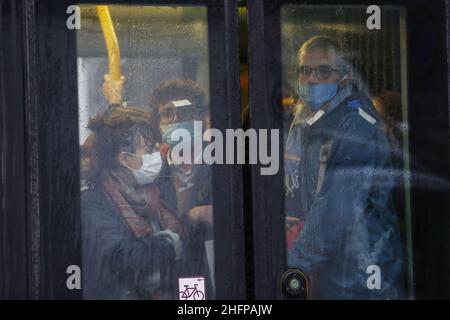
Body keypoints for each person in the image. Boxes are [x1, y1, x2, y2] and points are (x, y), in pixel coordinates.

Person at [286, 36, 404, 299]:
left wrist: (292, 265)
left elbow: (336, 208)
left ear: (344, 79)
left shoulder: (355, 127)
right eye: (305, 71)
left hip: (360, 276)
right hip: (337, 271)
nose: (312, 79)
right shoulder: (311, 122)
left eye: (323, 71)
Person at [81, 106, 184, 299]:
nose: (157, 155)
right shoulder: (93, 205)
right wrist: (166, 244)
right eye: (149, 149)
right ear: (125, 159)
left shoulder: (154, 196)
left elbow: (188, 270)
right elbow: (120, 258)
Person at [150, 79, 214, 291]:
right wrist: (193, 216)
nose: (176, 120)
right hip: (173, 277)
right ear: (158, 125)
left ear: (201, 120)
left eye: (185, 112)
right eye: (167, 114)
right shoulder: (151, 175)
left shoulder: (226, 162)